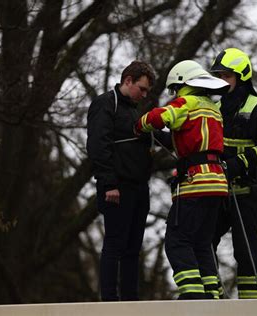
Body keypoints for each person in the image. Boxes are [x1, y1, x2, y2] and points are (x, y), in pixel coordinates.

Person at [134, 60, 230, 300]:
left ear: (183, 83)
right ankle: (212, 293)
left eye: (175, 89)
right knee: (202, 242)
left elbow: (160, 117)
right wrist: (162, 137)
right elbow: (191, 140)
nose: (175, 94)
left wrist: (139, 125)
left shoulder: (186, 102)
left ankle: (193, 295)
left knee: (177, 241)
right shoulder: (213, 108)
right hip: (218, 182)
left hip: (195, 183)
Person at [86, 60, 168, 301]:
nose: (143, 95)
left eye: (147, 92)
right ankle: (110, 302)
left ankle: (131, 303)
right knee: (115, 244)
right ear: (128, 80)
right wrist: (109, 183)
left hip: (139, 187)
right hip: (117, 187)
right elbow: (98, 145)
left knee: (133, 248)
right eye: (141, 89)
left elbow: (152, 135)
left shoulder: (134, 111)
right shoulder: (105, 103)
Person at [210, 48, 257, 299]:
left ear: (241, 77)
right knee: (203, 242)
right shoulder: (215, 108)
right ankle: (213, 298)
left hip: (245, 193)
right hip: (217, 191)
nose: (221, 82)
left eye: (226, 77)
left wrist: (242, 161)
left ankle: (251, 306)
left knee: (246, 253)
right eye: (218, 76)